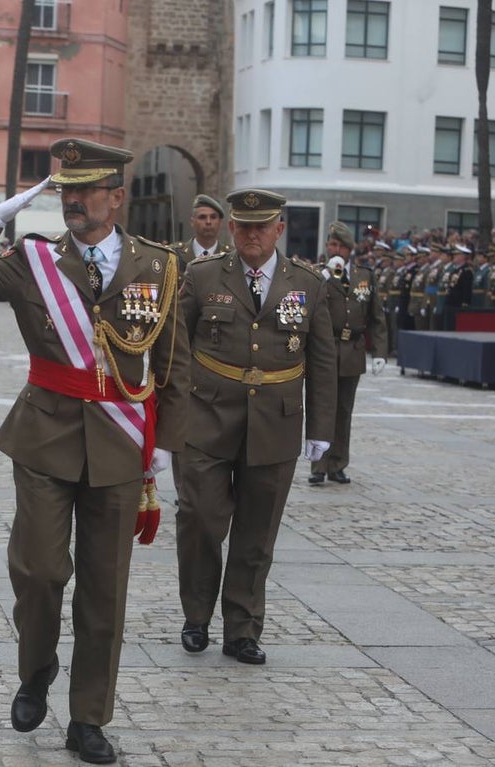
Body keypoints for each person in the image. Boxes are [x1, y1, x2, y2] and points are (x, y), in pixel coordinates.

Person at [0, 137, 190, 765]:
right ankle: (36, 668)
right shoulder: (33, 262)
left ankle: (88, 718)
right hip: (45, 437)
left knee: (106, 589)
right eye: (66, 191)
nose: (74, 201)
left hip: (122, 442)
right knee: (41, 571)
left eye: (86, 191)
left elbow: (173, 366)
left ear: (116, 197)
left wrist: (168, 446)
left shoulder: (159, 267)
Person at [175, 188, 336, 666]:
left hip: (276, 424)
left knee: (257, 532)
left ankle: (242, 628)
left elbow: (323, 360)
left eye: (261, 226)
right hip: (205, 417)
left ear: (278, 230)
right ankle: (197, 616)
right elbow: (175, 348)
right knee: (200, 518)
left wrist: (321, 428)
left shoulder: (307, 283)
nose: (251, 235)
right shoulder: (203, 276)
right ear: (230, 229)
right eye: (242, 226)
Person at [308, 222, 387, 485]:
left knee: (344, 410)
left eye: (339, 246)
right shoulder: (319, 274)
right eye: (331, 245)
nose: (335, 250)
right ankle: (318, 465)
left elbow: (376, 316)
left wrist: (379, 351)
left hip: (352, 349)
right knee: (322, 407)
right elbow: (306, 308)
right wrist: (323, 279)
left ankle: (338, 463)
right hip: (325, 349)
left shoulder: (364, 276)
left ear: (349, 249)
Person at [171, 193, 227, 268]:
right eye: (202, 217)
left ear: (220, 222)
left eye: (213, 217)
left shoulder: (230, 256)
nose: (208, 222)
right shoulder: (175, 254)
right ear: (192, 222)